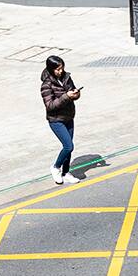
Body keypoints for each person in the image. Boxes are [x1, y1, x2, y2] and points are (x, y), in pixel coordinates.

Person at [40, 54, 82, 185]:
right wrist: (66, 96)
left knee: (68, 147)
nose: (61, 71)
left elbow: (72, 92)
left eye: (62, 68)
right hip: (56, 120)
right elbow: (50, 106)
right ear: (51, 69)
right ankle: (55, 167)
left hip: (69, 116)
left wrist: (76, 94)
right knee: (68, 146)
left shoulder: (66, 77)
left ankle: (66, 172)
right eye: (57, 69)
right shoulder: (46, 85)